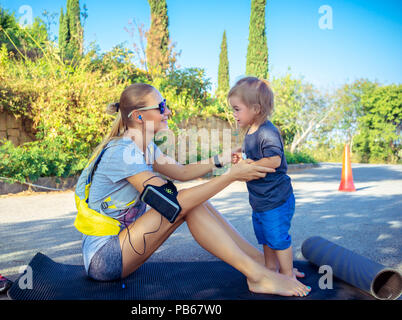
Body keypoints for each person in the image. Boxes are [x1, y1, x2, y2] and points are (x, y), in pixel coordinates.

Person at [74, 82, 311, 297]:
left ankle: (262, 264)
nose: (167, 112)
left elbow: (182, 172)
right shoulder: (122, 152)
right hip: (104, 259)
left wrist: (223, 159)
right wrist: (231, 176)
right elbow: (170, 202)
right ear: (138, 116)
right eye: (161, 107)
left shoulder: (146, 148)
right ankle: (259, 276)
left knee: (196, 201)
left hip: (122, 248)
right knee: (189, 205)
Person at [229, 77, 305, 283]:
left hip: (276, 200)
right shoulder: (250, 133)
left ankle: (287, 275)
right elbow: (254, 159)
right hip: (260, 201)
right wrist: (242, 160)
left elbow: (274, 160)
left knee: (277, 238)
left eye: (237, 109)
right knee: (264, 237)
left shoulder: (267, 131)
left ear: (255, 108)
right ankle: (272, 268)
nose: (234, 114)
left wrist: (250, 165)